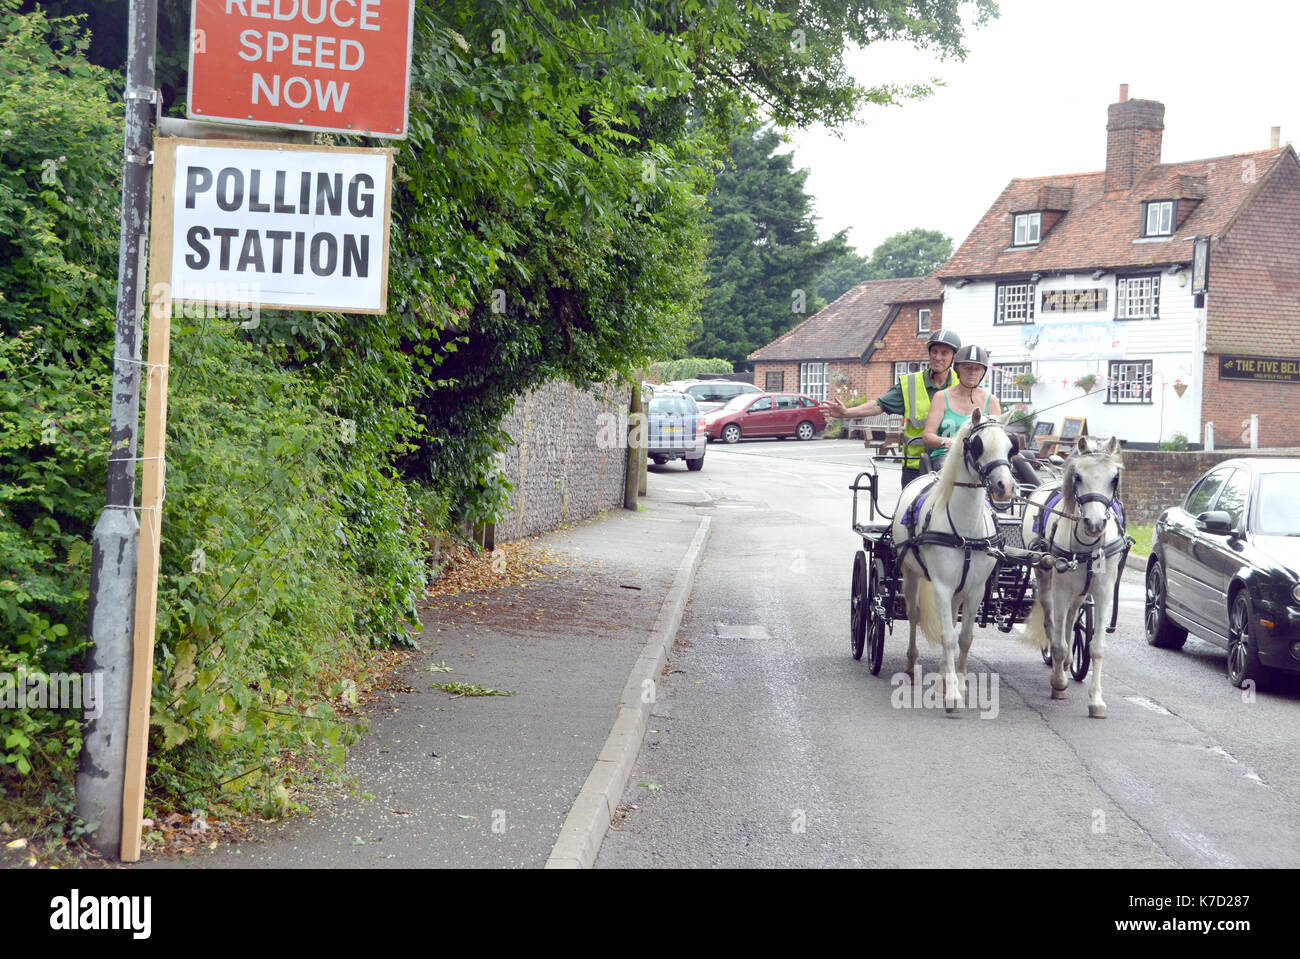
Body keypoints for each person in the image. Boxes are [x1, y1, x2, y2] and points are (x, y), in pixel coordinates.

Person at [822, 328, 961, 486]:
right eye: (934, 351)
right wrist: (847, 412)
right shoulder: (910, 384)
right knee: (911, 510)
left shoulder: (963, 385)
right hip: (915, 466)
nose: (938, 357)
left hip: (953, 466)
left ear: (953, 357)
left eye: (944, 353)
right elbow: (878, 405)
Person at [923, 344, 1003, 471]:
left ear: (983, 372)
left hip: (980, 460)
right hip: (945, 457)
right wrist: (947, 442)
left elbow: (998, 439)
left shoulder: (991, 401)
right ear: (957, 370)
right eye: (967, 368)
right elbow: (928, 436)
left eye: (977, 369)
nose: (972, 373)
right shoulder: (941, 397)